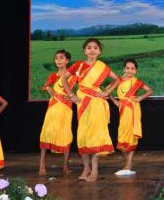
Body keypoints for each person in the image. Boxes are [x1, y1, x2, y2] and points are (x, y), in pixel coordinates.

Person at [62, 38, 119, 182]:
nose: (92, 50)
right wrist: (71, 95)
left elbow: (116, 80)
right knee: (83, 135)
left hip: (96, 103)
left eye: (95, 48)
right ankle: (86, 168)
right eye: (89, 47)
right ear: (84, 51)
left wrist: (106, 91)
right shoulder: (78, 65)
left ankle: (95, 171)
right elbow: (64, 80)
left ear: (99, 51)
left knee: (95, 135)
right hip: (82, 102)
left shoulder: (102, 66)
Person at [109, 59, 154, 176]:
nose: (130, 70)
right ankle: (128, 163)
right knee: (122, 136)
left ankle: (128, 164)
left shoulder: (137, 81)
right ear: (124, 69)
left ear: (136, 70)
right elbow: (107, 90)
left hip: (133, 109)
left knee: (131, 135)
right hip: (123, 109)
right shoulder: (118, 80)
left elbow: (150, 91)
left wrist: (139, 98)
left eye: (132, 68)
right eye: (128, 68)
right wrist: (115, 101)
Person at [39, 50, 76, 176]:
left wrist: (72, 97)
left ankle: (65, 166)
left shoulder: (73, 76)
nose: (58, 60)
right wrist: (48, 87)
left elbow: (82, 90)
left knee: (65, 134)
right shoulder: (53, 75)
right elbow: (44, 87)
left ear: (67, 61)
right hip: (54, 107)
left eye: (61, 58)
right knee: (47, 132)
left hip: (66, 108)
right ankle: (42, 165)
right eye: (56, 58)